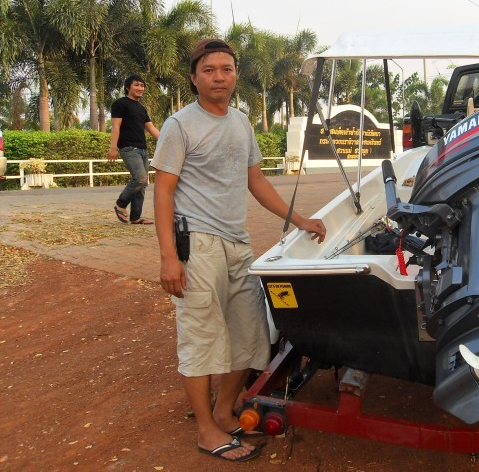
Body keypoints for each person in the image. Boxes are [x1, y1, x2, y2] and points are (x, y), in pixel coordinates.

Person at [151, 38, 326, 463]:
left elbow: (257, 181)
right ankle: (206, 430)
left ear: (235, 76)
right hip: (198, 247)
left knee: (251, 336)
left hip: (237, 244)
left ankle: (225, 412)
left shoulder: (241, 124)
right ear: (194, 79)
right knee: (200, 338)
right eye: (209, 70)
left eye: (226, 69)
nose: (219, 77)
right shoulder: (179, 125)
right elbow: (163, 191)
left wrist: (299, 218)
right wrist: (169, 257)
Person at [108, 75, 160, 225]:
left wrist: (167, 141)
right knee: (140, 178)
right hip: (128, 148)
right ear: (127, 87)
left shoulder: (141, 108)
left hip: (143, 149)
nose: (140, 88)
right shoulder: (120, 104)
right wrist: (113, 147)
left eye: (142, 86)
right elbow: (116, 126)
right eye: (136, 85)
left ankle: (136, 217)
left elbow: (151, 128)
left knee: (142, 184)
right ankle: (121, 204)